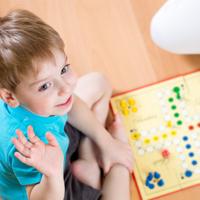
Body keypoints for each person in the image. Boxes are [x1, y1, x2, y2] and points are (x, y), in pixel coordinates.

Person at [0, 9, 132, 200]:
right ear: (11, 98)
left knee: (99, 82)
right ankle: (103, 166)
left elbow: (73, 103)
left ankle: (90, 160)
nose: (65, 88)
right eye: (45, 85)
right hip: (50, 183)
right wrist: (53, 174)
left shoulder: (49, 100)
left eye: (64, 69)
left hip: (57, 141)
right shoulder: (25, 147)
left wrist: (107, 142)